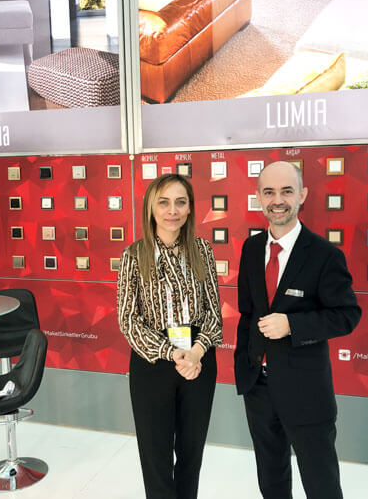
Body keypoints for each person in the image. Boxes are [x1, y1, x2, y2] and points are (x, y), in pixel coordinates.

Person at [235, 161, 361, 499]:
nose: (277, 200)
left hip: (306, 390)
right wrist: (244, 367)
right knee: (271, 481)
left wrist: (292, 325)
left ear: (302, 195)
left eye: (287, 191)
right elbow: (247, 314)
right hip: (259, 388)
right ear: (259, 197)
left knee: (321, 485)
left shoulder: (324, 254)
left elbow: (347, 315)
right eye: (269, 192)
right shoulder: (251, 249)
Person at [117, 174, 223, 499]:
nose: (172, 211)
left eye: (180, 202)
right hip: (153, 362)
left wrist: (196, 352)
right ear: (151, 208)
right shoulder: (134, 255)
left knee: (191, 452)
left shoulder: (202, 250)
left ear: (190, 209)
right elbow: (128, 320)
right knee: (156, 456)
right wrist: (171, 352)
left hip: (198, 359)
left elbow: (214, 313)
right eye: (163, 202)